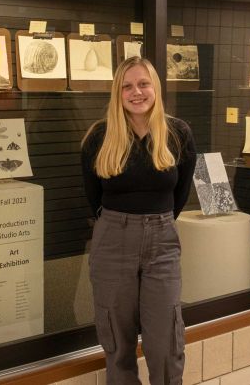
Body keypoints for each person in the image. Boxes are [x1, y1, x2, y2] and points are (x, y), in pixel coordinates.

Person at [81, 56, 196, 384]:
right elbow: (94, 198)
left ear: (155, 88)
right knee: (118, 340)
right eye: (127, 86)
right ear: (117, 93)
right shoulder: (98, 137)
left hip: (162, 244)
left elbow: (180, 194)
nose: (136, 92)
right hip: (113, 241)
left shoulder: (178, 134)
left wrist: (154, 223)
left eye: (143, 84)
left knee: (165, 340)